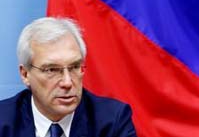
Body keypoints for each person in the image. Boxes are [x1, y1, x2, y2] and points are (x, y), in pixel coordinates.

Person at [0, 17, 137, 137]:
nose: (67, 82)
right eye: (52, 70)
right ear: (25, 74)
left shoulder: (112, 121)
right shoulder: (3, 120)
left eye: (74, 67)